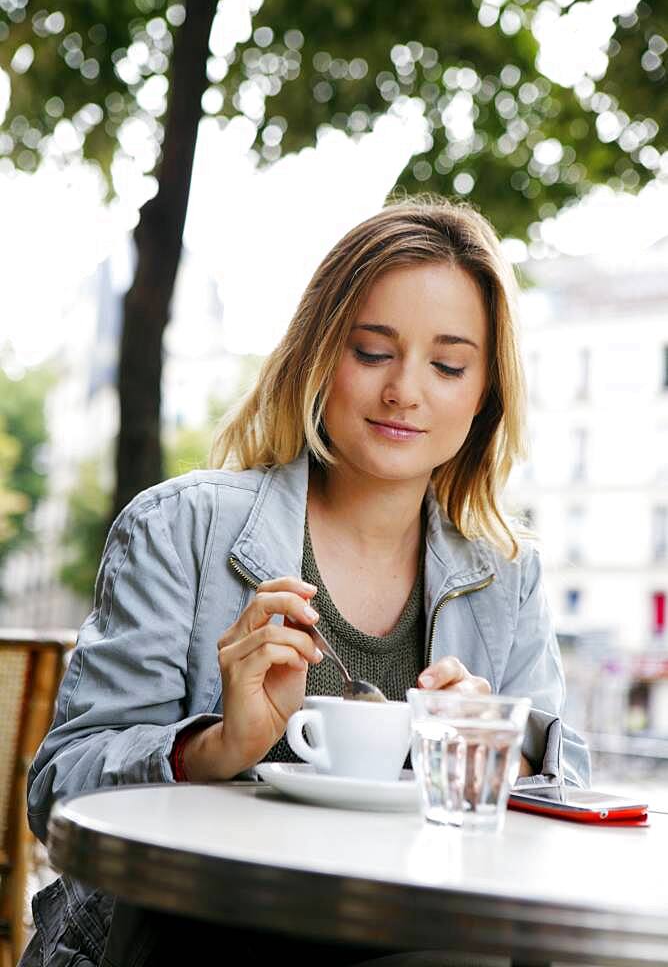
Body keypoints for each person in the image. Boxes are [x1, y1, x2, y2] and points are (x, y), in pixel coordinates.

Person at [20, 196, 590, 967]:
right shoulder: (179, 528)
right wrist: (215, 747)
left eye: (448, 364)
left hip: (412, 931)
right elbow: (58, 789)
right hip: (195, 931)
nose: (405, 392)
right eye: (372, 351)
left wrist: (500, 754)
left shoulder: (505, 570)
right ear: (321, 353)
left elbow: (565, 791)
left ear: (485, 389)